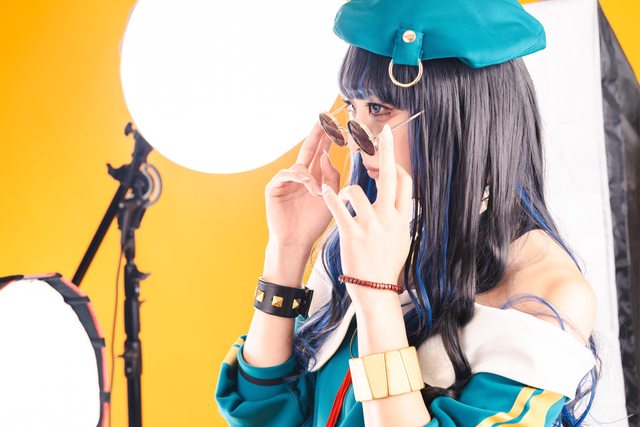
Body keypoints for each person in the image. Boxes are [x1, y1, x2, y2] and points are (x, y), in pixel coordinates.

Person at [215, 0, 601, 425]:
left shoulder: (548, 293)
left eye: (379, 110)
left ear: (461, 116)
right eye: (352, 108)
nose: (356, 142)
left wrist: (377, 298)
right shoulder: (369, 236)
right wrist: (287, 251)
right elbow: (267, 414)